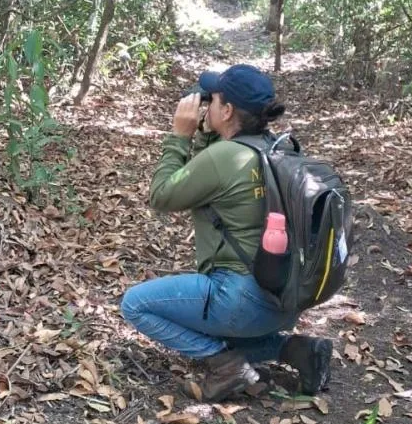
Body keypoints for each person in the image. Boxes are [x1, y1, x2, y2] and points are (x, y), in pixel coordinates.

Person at [120, 64, 333, 403]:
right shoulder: (277, 148)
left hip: (241, 300)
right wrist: (206, 133)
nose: (207, 105)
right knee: (208, 319)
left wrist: (179, 136)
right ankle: (295, 349)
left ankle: (226, 367)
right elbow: (210, 178)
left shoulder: (226, 156)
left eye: (213, 99)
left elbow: (161, 196)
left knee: (136, 304)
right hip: (283, 298)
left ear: (228, 110)